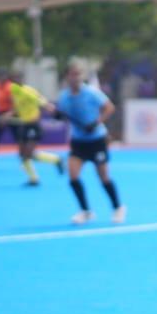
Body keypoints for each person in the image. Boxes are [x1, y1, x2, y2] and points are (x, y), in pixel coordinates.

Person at [55, 62, 124, 225]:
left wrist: (96, 122)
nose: (76, 77)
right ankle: (85, 211)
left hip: (96, 140)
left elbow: (109, 108)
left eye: (78, 74)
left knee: (103, 177)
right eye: (73, 74)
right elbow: (62, 114)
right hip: (78, 142)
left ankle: (117, 207)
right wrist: (57, 115)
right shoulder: (64, 96)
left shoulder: (91, 93)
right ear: (67, 77)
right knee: (73, 176)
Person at [8, 70, 64, 187]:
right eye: (14, 78)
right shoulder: (14, 92)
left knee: (28, 153)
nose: (16, 81)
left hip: (33, 125)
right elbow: (17, 108)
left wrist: (52, 110)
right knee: (23, 154)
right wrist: (7, 116)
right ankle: (34, 178)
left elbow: (41, 102)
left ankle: (55, 160)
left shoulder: (28, 91)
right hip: (24, 124)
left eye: (18, 78)